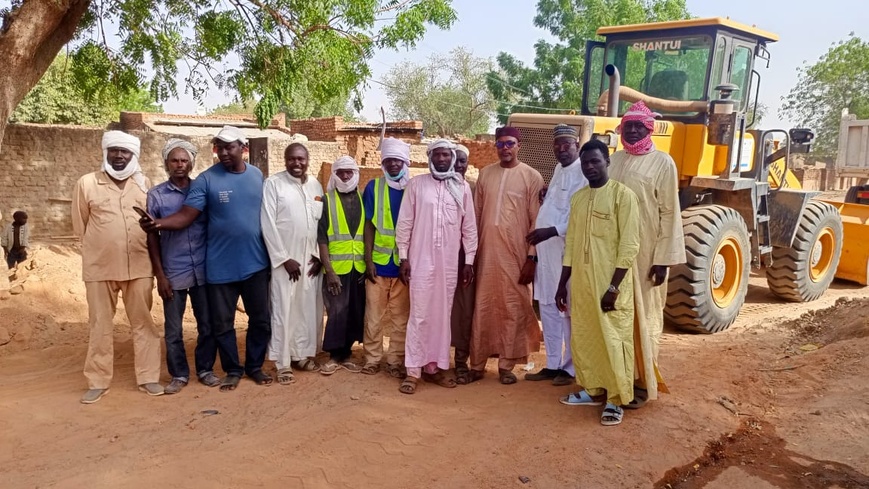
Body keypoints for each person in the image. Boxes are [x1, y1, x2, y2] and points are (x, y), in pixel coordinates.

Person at [141, 126, 273, 391]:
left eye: (229, 147)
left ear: (242, 148)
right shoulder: (206, 180)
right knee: (222, 324)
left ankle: (254, 367)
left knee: (260, 320)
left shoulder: (257, 176)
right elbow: (187, 215)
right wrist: (158, 224)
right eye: (219, 147)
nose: (223, 152)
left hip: (255, 263)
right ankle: (233, 370)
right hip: (219, 267)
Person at [555, 139, 641, 426]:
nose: (590, 167)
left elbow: (629, 246)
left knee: (614, 339)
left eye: (596, 161)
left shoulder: (623, 196)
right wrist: (561, 284)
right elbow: (571, 245)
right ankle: (592, 390)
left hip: (611, 286)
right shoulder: (578, 199)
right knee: (584, 336)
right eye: (586, 162)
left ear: (608, 162)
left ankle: (616, 399)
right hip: (581, 283)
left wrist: (614, 288)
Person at [72, 131, 163, 403]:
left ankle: (148, 378)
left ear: (133, 155)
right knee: (100, 324)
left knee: (143, 324)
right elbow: (81, 226)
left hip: (139, 266)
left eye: (125, 152)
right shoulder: (87, 183)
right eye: (115, 151)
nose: (120, 156)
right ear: (106, 152)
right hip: (100, 268)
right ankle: (97, 380)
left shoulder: (143, 183)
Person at [608, 101, 686, 408]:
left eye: (638, 126)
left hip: (645, 254)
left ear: (649, 128)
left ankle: (641, 382)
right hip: (612, 251)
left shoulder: (662, 163)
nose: (633, 130)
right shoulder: (614, 160)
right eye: (628, 126)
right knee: (614, 313)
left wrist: (663, 259)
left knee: (644, 317)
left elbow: (670, 213)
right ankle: (615, 377)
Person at [396, 139, 477, 395]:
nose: (441, 159)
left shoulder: (462, 188)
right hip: (420, 261)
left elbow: (469, 229)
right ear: (430, 157)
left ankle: (436, 367)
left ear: (452, 158)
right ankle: (413, 371)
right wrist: (403, 257)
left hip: (449, 263)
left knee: (443, 315)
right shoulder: (416, 185)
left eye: (445, 155)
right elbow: (405, 223)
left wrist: (469, 262)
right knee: (419, 314)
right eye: (437, 155)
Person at [146, 139, 222, 394]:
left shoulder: (201, 190)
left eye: (184, 160)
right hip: (173, 271)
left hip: (203, 268)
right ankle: (178, 374)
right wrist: (160, 275)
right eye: (174, 160)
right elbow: (151, 238)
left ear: (191, 163)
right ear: (166, 163)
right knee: (173, 330)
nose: (179, 164)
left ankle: (205, 369)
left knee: (207, 325)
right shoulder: (156, 195)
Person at [469, 127, 545, 385]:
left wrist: (531, 258)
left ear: (519, 145)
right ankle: (477, 365)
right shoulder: (485, 174)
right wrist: (472, 255)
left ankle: (506, 366)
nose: (505, 148)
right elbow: (476, 216)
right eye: (500, 144)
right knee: (483, 307)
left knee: (513, 308)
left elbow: (536, 220)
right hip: (486, 254)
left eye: (509, 143)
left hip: (517, 257)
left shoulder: (531, 177)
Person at [524, 124, 588, 386]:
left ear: (577, 147)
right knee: (549, 309)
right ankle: (552, 364)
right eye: (558, 145)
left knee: (567, 311)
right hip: (546, 255)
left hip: (565, 253)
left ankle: (570, 368)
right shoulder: (559, 169)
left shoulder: (583, 173)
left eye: (567, 145)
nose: (562, 150)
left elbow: (579, 216)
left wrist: (550, 231)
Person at [261, 143, 325, 385]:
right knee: (283, 309)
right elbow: (267, 223)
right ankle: (283, 362)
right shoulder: (273, 185)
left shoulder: (316, 186)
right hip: (285, 261)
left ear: (308, 159)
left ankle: (302, 355)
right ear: (285, 160)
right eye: (292, 159)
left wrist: (319, 256)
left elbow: (320, 226)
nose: (296, 163)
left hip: (311, 261)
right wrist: (283, 258)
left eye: (301, 159)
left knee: (307, 309)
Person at [360, 138, 411, 379]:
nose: (393, 164)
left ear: (405, 162)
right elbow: (369, 225)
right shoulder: (373, 187)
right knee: (373, 317)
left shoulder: (414, 188)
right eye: (388, 160)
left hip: (403, 267)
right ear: (383, 162)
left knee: (401, 319)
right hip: (379, 266)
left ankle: (395, 360)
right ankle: (372, 359)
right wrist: (368, 261)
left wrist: (408, 261)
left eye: (397, 160)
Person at [317, 156, 366, 375]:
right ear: (334, 175)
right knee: (336, 311)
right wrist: (329, 271)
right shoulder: (327, 201)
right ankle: (334, 355)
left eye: (349, 172)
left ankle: (346, 353)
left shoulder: (364, 199)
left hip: (359, 268)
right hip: (336, 268)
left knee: (354, 310)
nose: (345, 176)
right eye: (340, 172)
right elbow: (322, 239)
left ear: (356, 174)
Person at [450, 144, 476, 384]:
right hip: (438, 259)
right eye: (454, 160)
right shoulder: (433, 185)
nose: (458, 165)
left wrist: (469, 259)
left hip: (465, 258)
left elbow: (471, 228)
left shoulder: (473, 188)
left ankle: (460, 362)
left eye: (462, 161)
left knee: (464, 311)